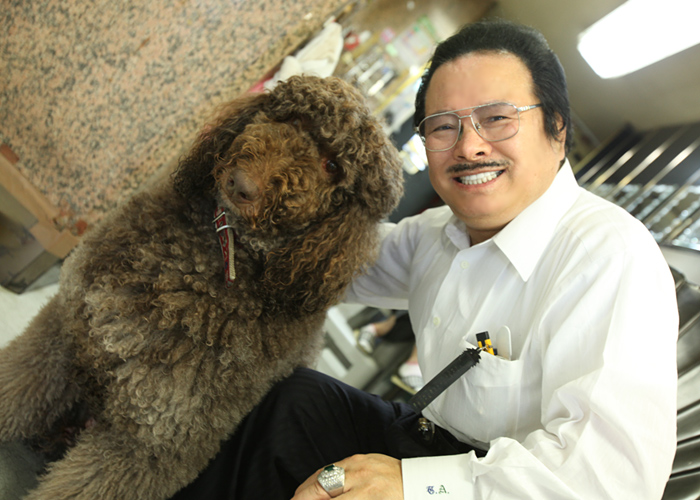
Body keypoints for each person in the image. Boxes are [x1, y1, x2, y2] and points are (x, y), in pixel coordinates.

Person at [171, 19, 678, 500]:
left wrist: (416, 486)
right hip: (419, 433)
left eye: (497, 119)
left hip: (491, 480)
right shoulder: (438, 233)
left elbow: (610, 483)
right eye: (442, 127)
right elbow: (326, 264)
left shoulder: (610, 255)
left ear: (557, 128)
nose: (469, 147)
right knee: (290, 402)